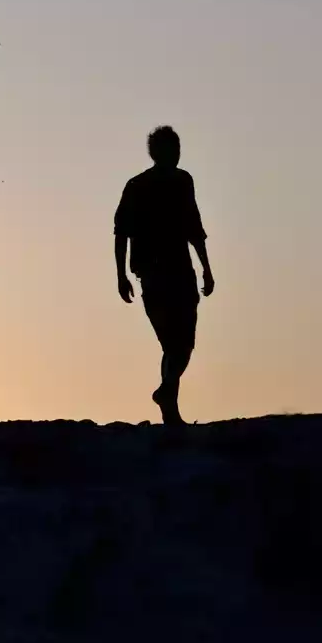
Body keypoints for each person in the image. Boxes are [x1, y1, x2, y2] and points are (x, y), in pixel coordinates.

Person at [114, 125, 214, 425]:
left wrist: (207, 268)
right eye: (171, 148)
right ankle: (168, 400)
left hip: (182, 270)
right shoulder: (137, 186)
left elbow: (194, 226)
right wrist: (121, 276)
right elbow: (121, 232)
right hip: (153, 273)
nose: (176, 153)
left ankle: (167, 396)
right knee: (172, 344)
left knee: (184, 344)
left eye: (178, 148)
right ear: (156, 152)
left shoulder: (184, 182)